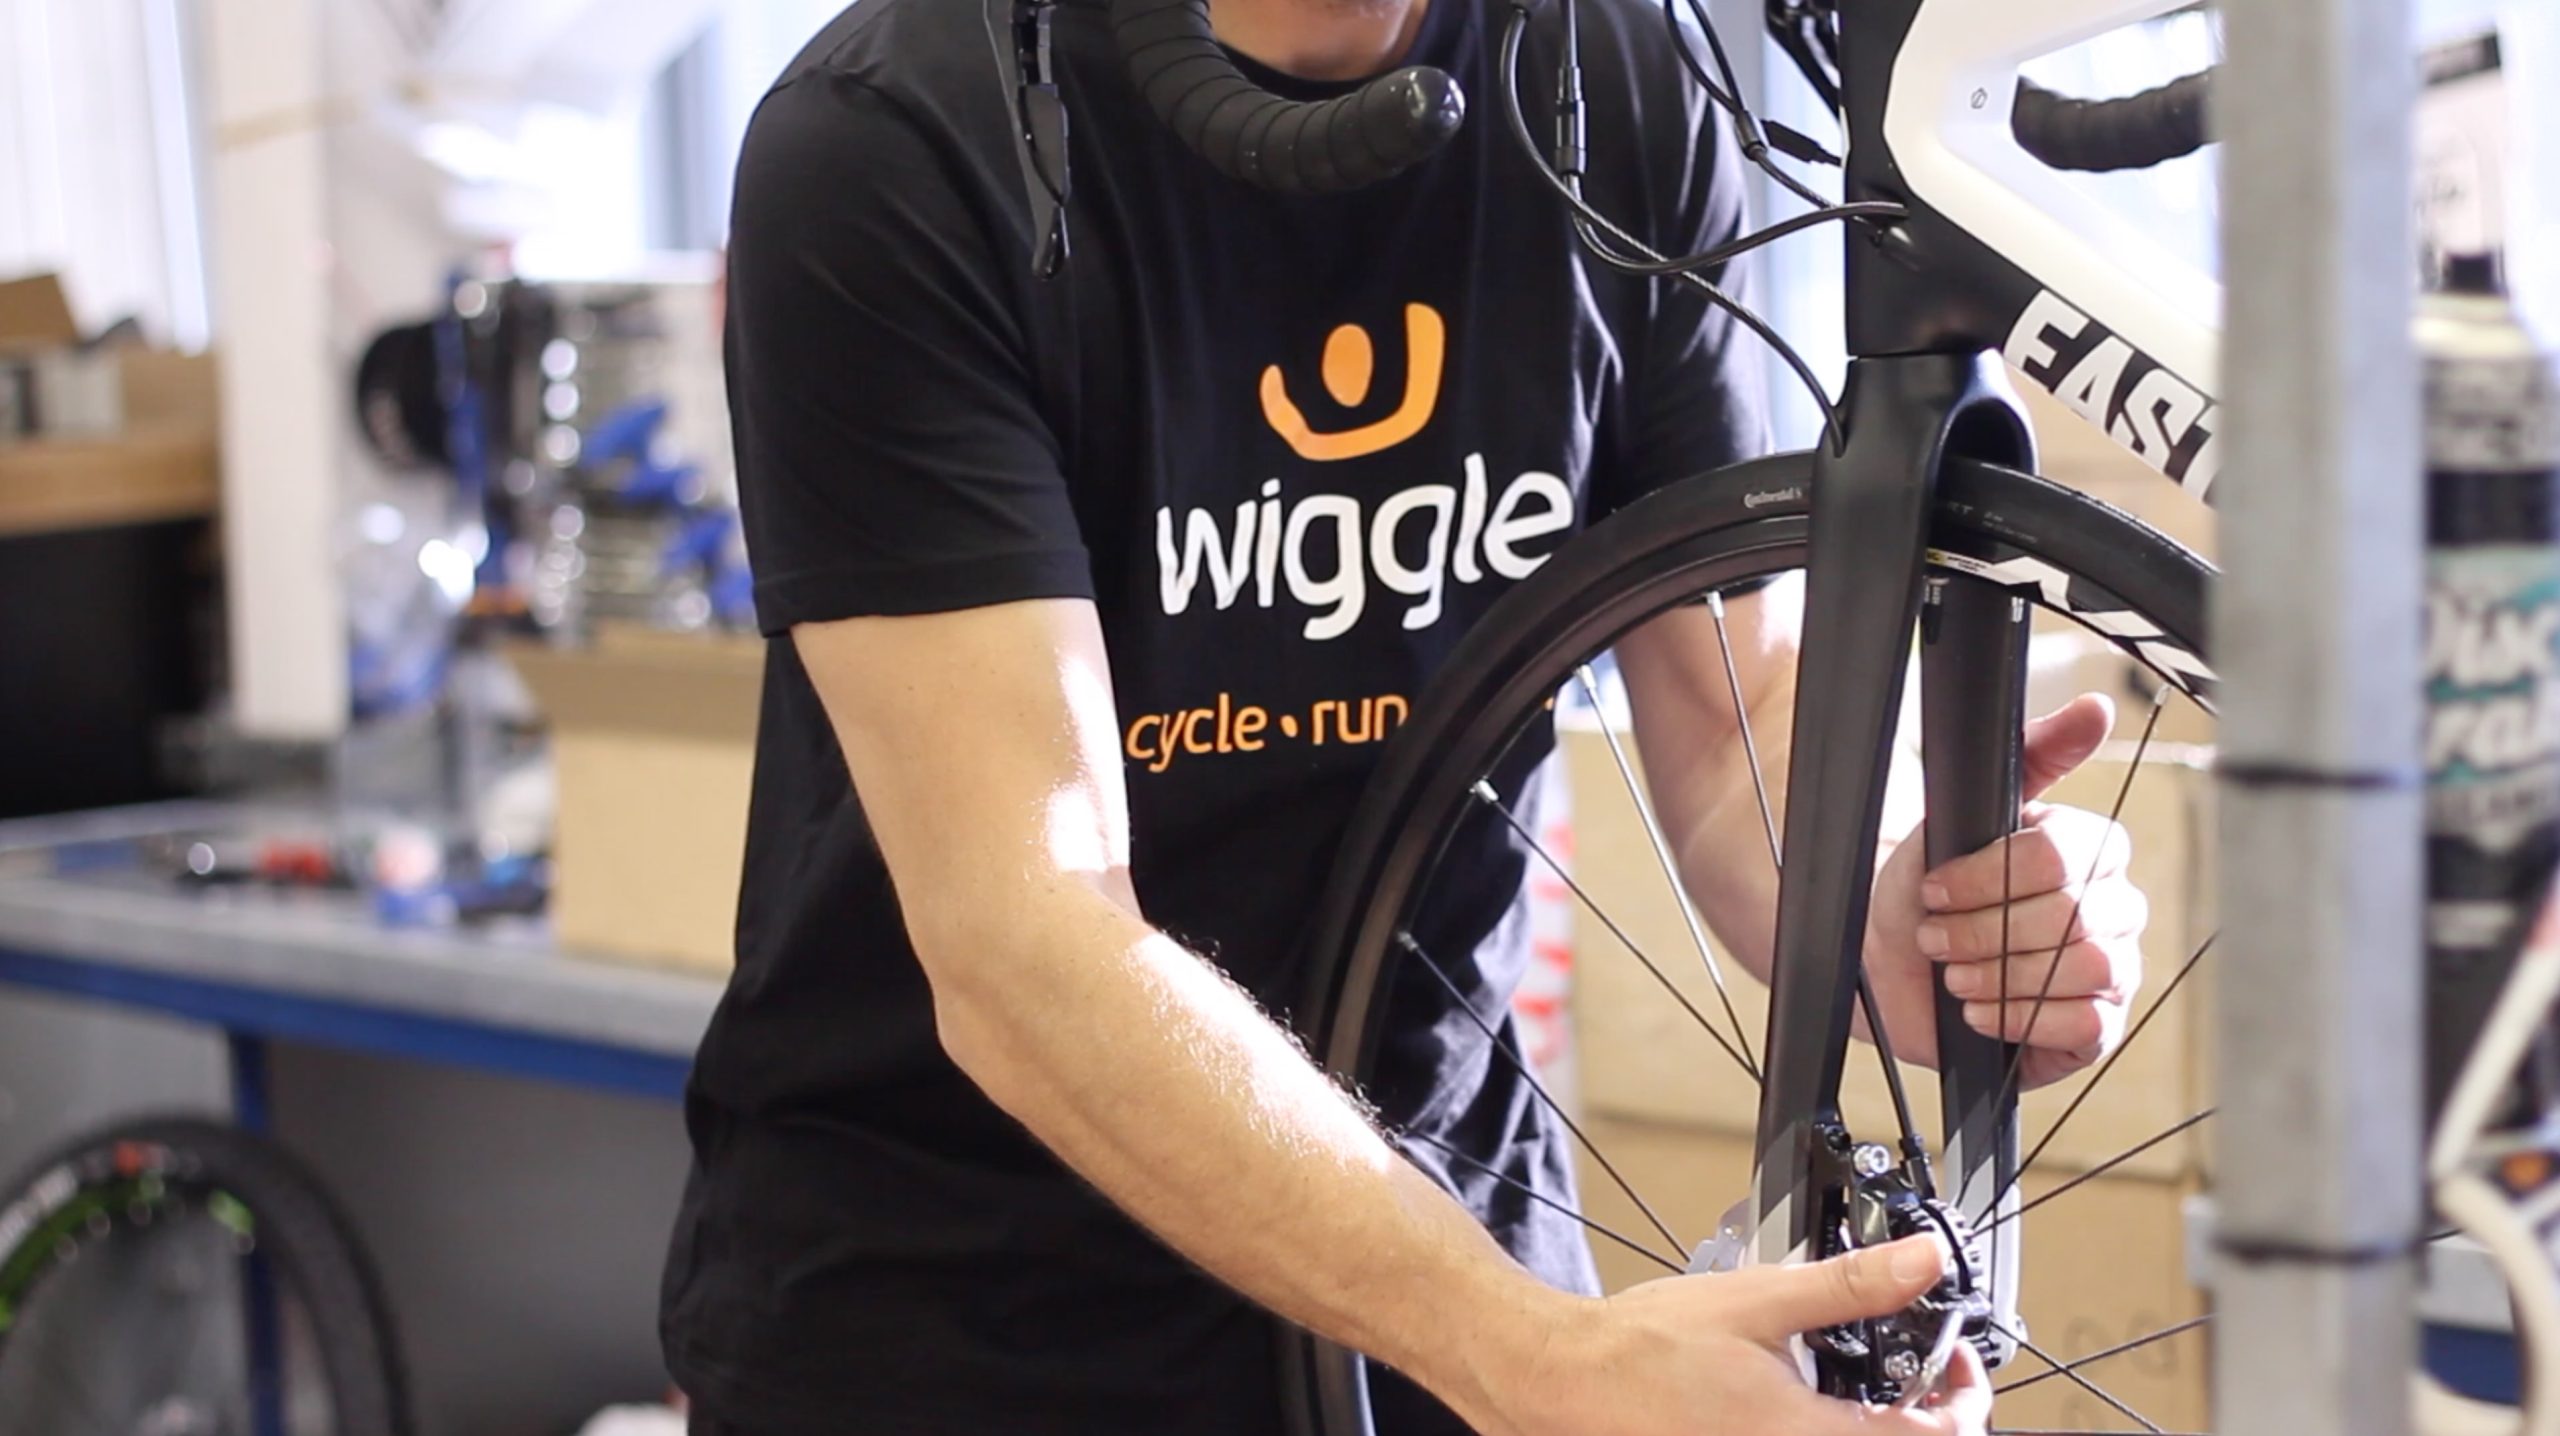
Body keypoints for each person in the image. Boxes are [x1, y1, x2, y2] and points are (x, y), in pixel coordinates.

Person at [660, 0, 2150, 1432]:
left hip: (1452, 1281)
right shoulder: (904, 137)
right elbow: (1026, 940)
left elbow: (1734, 717)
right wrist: (1532, 1359)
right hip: (970, 1333)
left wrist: (1890, 908)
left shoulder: (1612, 80)